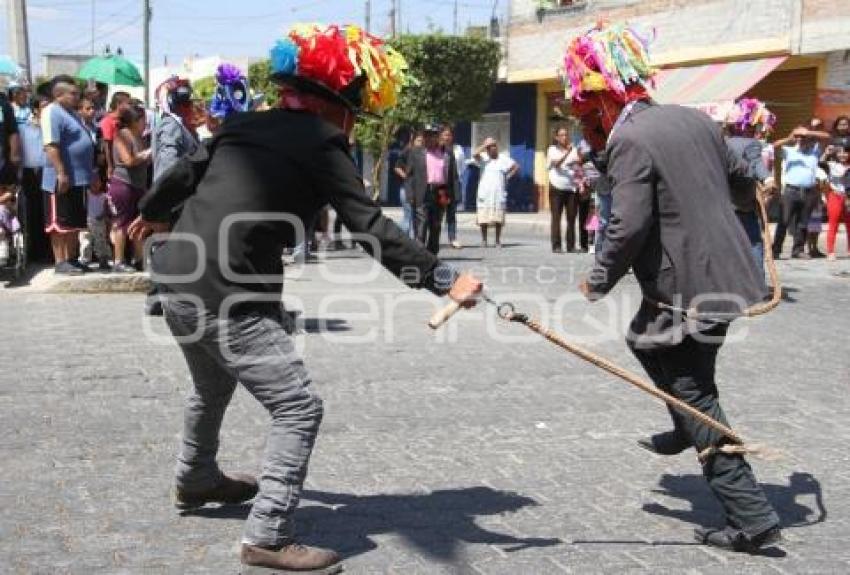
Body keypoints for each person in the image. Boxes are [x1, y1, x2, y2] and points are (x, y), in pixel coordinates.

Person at [129, 24, 482, 573]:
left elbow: (183, 172)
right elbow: (366, 225)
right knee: (298, 406)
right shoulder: (323, 141)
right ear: (332, 103)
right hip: (230, 292)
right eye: (353, 111)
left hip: (176, 279)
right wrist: (441, 279)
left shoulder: (243, 125)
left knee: (212, 383)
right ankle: (267, 535)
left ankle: (196, 477)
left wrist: (151, 210)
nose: (352, 123)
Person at [569, 22, 781, 553]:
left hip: (688, 288)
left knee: (694, 394)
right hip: (728, 276)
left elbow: (629, 224)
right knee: (645, 341)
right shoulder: (694, 118)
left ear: (605, 104)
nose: (587, 131)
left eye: (588, 121)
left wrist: (598, 279)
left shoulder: (632, 139)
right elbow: (741, 182)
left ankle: (751, 517)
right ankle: (687, 428)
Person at [41, 75, 97, 275]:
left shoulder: (71, 114)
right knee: (60, 223)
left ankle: (72, 259)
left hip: (79, 178)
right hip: (61, 178)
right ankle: (60, 261)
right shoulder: (51, 112)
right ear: (59, 94)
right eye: (73, 94)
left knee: (74, 221)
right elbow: (50, 145)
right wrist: (61, 172)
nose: (77, 97)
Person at [724, 98, 778, 276]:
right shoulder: (751, 144)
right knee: (753, 242)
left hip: (721, 204)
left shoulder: (720, 142)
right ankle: (757, 284)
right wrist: (768, 179)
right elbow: (756, 164)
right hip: (742, 204)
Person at [770, 124, 831, 259]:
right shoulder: (790, 150)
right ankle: (776, 249)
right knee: (784, 221)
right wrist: (790, 137)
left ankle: (798, 250)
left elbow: (827, 137)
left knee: (803, 222)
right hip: (791, 191)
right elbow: (773, 146)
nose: (801, 139)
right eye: (798, 137)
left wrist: (807, 132)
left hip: (809, 191)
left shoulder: (815, 151)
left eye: (803, 137)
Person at [108, 106, 151, 273]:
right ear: (135, 120)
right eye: (142, 120)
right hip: (123, 184)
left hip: (138, 185)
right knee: (121, 222)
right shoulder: (122, 135)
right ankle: (118, 260)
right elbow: (128, 160)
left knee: (137, 222)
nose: (145, 123)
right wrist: (146, 154)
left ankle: (139, 258)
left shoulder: (140, 137)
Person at [77, 97, 112, 271]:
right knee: (84, 223)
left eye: (93, 108)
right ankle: (84, 258)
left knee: (98, 221)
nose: (91, 111)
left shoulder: (97, 130)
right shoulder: (77, 129)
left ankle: (103, 256)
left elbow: (100, 153)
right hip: (82, 178)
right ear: (80, 111)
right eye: (87, 108)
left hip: (96, 176)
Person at [18, 95, 51, 263]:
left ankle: (49, 251)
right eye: (44, 106)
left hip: (48, 170)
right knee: (33, 212)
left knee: (48, 211)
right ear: (36, 109)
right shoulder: (24, 128)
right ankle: (35, 251)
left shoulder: (53, 127)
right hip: (30, 172)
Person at [473, 137, 518, 248]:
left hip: (498, 192)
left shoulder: (503, 158)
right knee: (483, 218)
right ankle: (484, 240)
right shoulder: (483, 158)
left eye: (493, 146)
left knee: (498, 218)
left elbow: (515, 166)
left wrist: (508, 176)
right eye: (489, 147)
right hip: (485, 192)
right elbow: (474, 154)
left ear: (497, 147)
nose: (492, 149)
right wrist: (484, 145)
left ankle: (497, 240)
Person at [547, 127, 584, 253]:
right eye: (562, 135)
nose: (565, 137)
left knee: (572, 217)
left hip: (571, 187)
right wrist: (568, 153)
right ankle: (556, 245)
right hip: (556, 186)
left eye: (566, 135)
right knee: (556, 217)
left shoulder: (573, 150)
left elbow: (578, 164)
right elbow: (556, 164)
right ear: (556, 137)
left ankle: (571, 245)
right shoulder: (552, 149)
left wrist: (578, 160)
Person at [822, 143, 850, 261]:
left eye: (845, 152)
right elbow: (820, 163)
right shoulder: (831, 165)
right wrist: (826, 153)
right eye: (840, 152)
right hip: (835, 195)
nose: (843, 155)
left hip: (848, 197)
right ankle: (831, 251)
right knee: (833, 223)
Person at [394, 131, 423, 239]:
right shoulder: (407, 151)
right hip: (406, 189)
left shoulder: (423, 153)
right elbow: (397, 167)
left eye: (422, 140)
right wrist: (407, 177)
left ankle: (400, 238)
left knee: (414, 217)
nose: (421, 143)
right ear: (413, 141)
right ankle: (397, 237)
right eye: (419, 140)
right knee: (409, 216)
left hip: (419, 189)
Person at [440, 126, 464, 249]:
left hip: (451, 186)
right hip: (438, 187)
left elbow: (456, 171)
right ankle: (432, 240)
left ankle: (452, 238)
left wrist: (456, 189)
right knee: (436, 215)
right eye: (444, 135)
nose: (447, 137)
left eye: (449, 135)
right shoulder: (435, 150)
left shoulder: (452, 151)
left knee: (451, 214)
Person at [99, 91, 131, 180]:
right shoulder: (107, 121)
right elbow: (107, 145)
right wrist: (110, 166)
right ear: (118, 104)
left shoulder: (124, 120)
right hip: (114, 163)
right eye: (127, 103)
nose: (129, 107)